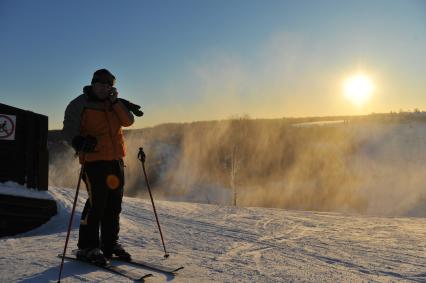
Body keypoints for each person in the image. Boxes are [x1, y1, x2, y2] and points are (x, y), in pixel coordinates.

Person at [63, 69, 135, 265]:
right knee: (97, 205)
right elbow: (68, 128)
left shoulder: (113, 104)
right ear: (93, 83)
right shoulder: (80, 104)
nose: (105, 88)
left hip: (116, 160)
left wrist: (116, 103)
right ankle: (88, 247)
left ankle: (109, 245)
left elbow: (128, 121)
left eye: (109, 85)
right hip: (94, 162)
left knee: (114, 205)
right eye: (101, 84)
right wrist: (78, 141)